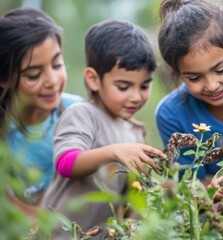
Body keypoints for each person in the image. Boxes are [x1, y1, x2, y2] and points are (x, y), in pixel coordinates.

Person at [40, 19, 166, 237]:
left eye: (144, 85)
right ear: (94, 80)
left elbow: (129, 199)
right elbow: (65, 163)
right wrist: (113, 152)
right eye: (123, 86)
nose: (136, 96)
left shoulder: (135, 132)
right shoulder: (83, 114)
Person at [155, 0, 223, 185]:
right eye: (194, 78)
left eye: (220, 70)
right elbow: (191, 184)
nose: (212, 86)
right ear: (178, 73)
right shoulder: (171, 114)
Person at [0, 7, 82, 216]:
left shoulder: (76, 112)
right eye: (34, 75)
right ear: (5, 79)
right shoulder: (6, 135)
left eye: (57, 64)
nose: (52, 81)